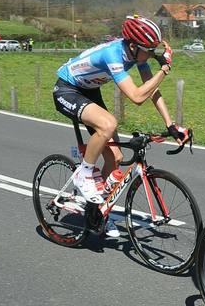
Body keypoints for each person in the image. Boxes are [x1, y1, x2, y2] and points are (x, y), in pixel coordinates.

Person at [52, 15, 187, 203]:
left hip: (89, 91)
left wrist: (170, 124)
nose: (151, 54)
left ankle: (95, 212)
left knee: (115, 158)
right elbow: (137, 97)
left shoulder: (136, 54)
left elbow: (151, 89)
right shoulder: (113, 55)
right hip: (67, 90)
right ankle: (84, 174)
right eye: (149, 50)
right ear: (133, 46)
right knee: (108, 124)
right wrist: (164, 69)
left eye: (154, 50)